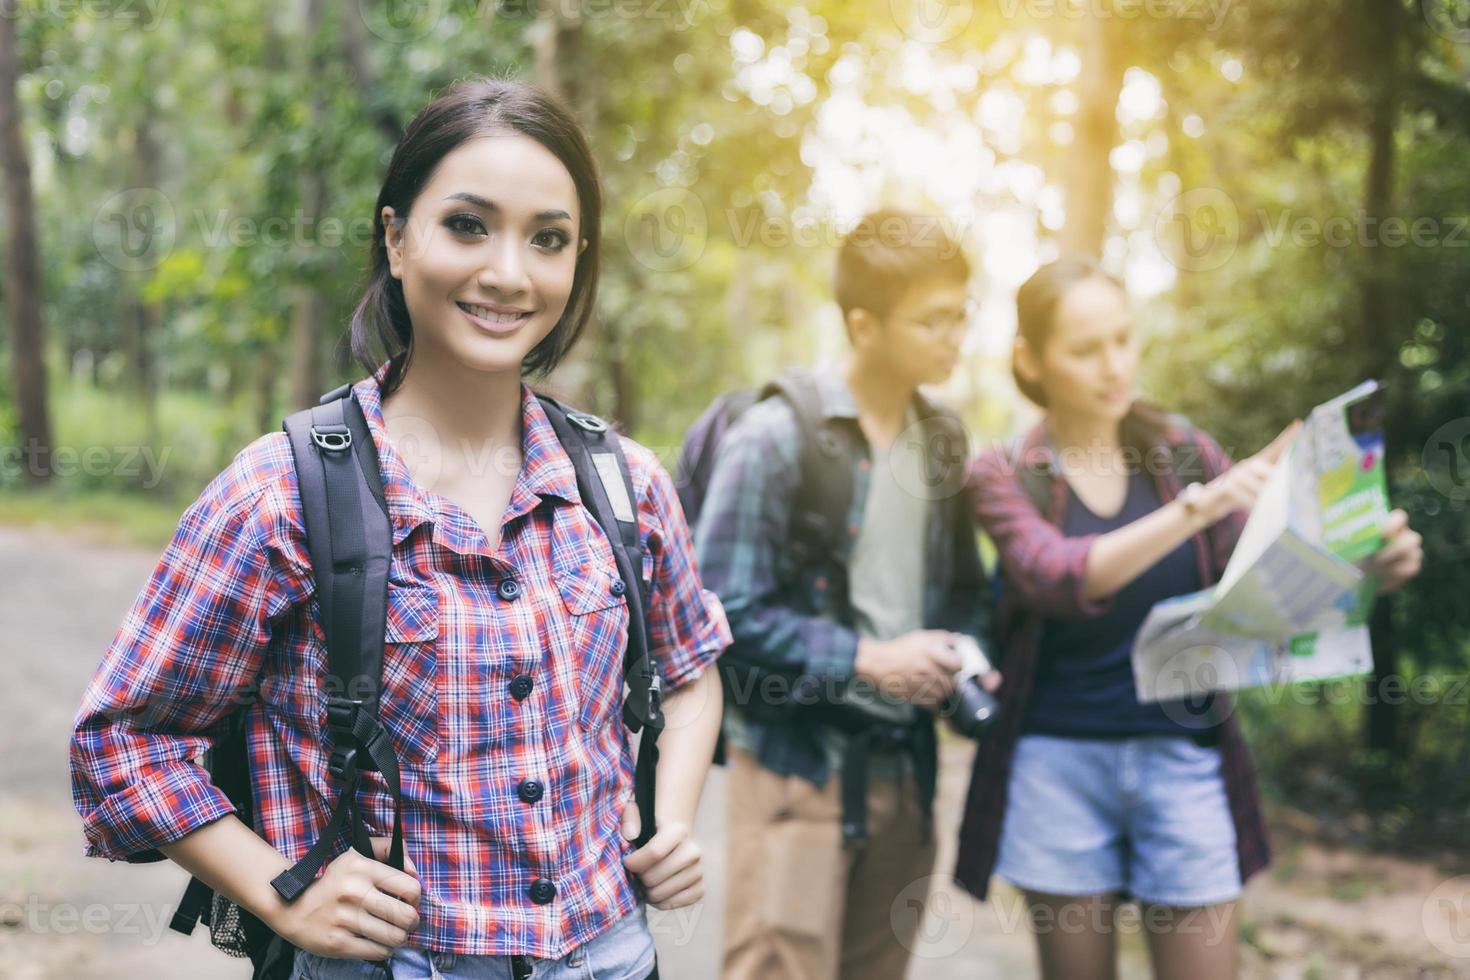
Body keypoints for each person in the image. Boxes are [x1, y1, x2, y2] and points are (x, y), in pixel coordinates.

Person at [69, 79, 732, 980]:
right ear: (394, 237)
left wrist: (674, 819)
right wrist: (278, 889)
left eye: (548, 238)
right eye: (467, 225)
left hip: (611, 955)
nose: (508, 271)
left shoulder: (624, 483)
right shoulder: (283, 493)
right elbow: (122, 741)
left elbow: (690, 671)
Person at [953, 256, 1424, 980]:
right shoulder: (1004, 472)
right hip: (1057, 766)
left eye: (1123, 339)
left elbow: (1260, 582)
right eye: (1085, 349)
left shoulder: (1185, 454)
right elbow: (1055, 576)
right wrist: (1197, 507)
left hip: (1185, 759)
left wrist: (1366, 568)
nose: (1114, 366)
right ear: (1031, 358)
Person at [696, 209, 998, 980]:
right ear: (863, 325)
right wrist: (868, 658)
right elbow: (717, 609)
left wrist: (965, 652)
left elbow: (964, 587)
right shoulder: (774, 438)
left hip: (904, 773)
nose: (955, 336)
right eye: (933, 321)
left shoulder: (942, 442)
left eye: (961, 315)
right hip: (798, 770)